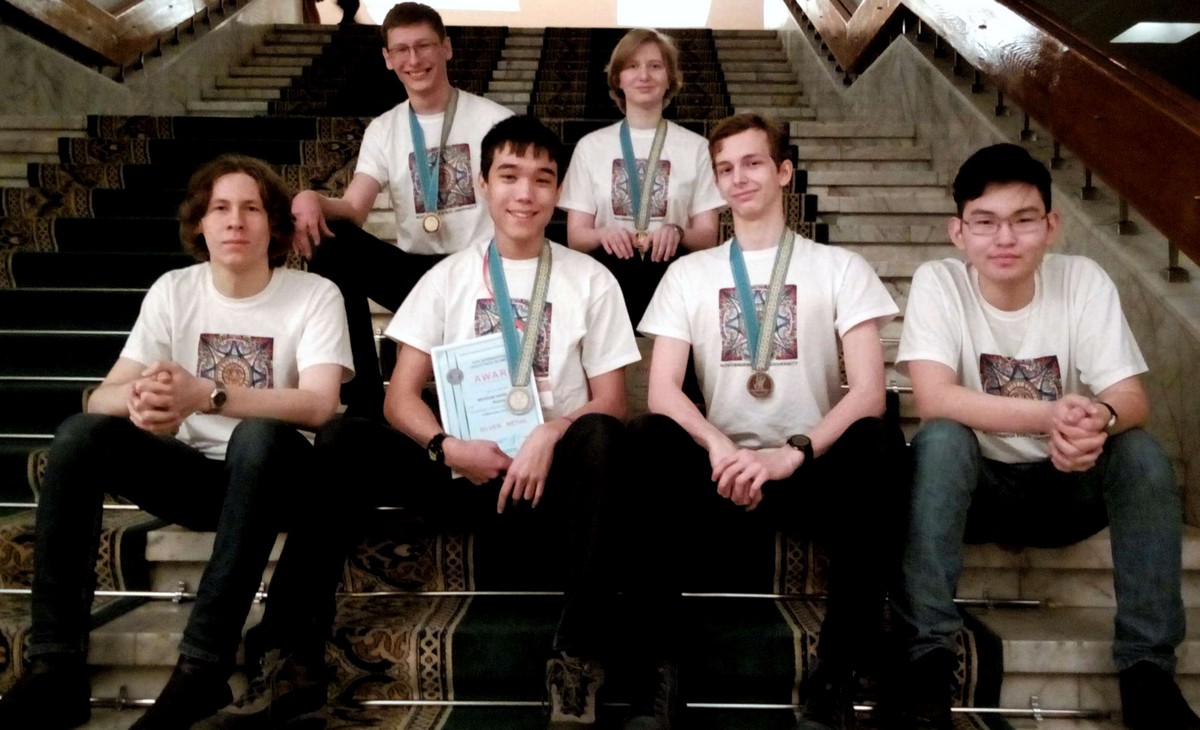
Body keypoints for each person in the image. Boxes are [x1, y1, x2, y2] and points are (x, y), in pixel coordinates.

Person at [217, 115, 641, 729]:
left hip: (551, 483)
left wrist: (552, 432)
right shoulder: (448, 278)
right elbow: (400, 397)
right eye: (510, 176)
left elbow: (612, 400)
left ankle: (577, 661)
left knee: (601, 434)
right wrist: (446, 446)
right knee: (343, 436)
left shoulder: (591, 279)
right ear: (484, 184)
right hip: (463, 473)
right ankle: (291, 654)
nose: (525, 193)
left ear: (558, 191)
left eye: (542, 179)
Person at [0, 155, 353, 730]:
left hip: (277, 480)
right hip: (196, 478)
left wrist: (205, 395)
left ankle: (202, 667)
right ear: (200, 225)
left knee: (258, 437)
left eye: (251, 208)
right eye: (220, 208)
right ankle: (54, 666)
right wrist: (146, 399)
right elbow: (101, 398)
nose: (235, 221)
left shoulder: (314, 294)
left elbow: (319, 405)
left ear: (273, 225)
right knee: (79, 435)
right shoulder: (174, 290)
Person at [892, 143, 1198, 730]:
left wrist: (1096, 420)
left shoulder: (1082, 279)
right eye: (985, 222)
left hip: (1065, 488)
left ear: (1052, 226)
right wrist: (1053, 414)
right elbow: (933, 398)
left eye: (1023, 220)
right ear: (958, 232)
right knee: (942, 440)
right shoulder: (940, 282)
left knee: (1139, 451)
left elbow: (1131, 398)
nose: (1005, 239)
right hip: (975, 494)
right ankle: (928, 657)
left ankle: (1147, 671)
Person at [631, 113, 905, 730]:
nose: (739, 178)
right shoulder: (689, 274)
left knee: (881, 441)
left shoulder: (840, 267)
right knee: (646, 438)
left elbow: (868, 393)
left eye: (753, 163)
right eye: (725, 168)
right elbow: (663, 391)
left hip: (809, 469)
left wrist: (792, 453)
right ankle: (659, 672)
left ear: (783, 172)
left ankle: (836, 674)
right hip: (722, 473)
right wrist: (717, 445)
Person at [291, 1, 513, 418]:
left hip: (479, 270)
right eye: (401, 50)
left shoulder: (494, 122)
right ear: (387, 58)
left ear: (446, 47)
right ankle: (364, 399)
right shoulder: (385, 129)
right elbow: (353, 209)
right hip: (416, 277)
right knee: (331, 244)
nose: (414, 59)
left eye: (424, 46)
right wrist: (311, 198)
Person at [558, 27, 724, 323]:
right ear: (618, 79)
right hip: (608, 282)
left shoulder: (696, 147)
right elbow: (576, 237)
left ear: (670, 78)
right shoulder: (591, 147)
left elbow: (708, 236)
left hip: (675, 282)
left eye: (655, 66)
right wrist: (603, 233)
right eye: (632, 66)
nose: (644, 75)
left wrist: (678, 231)